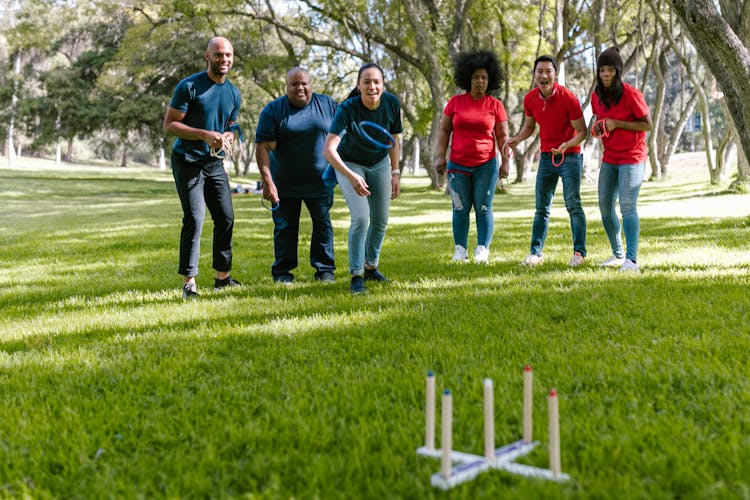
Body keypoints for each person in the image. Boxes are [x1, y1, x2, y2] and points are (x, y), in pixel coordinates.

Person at [163, 37, 242, 298]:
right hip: (188, 161)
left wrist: (228, 136)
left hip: (214, 164)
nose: (224, 60)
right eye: (218, 55)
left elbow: (230, 126)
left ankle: (222, 278)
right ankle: (189, 283)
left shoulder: (234, 94)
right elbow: (170, 125)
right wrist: (202, 134)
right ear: (207, 56)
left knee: (226, 217)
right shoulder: (189, 86)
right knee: (195, 219)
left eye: (228, 55)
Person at [323, 62, 402, 294]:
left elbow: (393, 140)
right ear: (358, 86)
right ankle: (356, 275)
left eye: (376, 81)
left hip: (379, 164)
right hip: (350, 163)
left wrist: (395, 172)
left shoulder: (391, 103)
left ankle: (371, 268)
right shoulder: (347, 109)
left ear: (383, 85)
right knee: (360, 218)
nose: (372, 86)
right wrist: (350, 177)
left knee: (381, 219)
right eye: (366, 82)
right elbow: (329, 150)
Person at [255, 67, 338, 284]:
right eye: (295, 84)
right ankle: (283, 273)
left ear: (311, 85)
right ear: (287, 87)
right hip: (284, 184)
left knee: (323, 226)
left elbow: (344, 131)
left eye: (304, 84)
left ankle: (325, 271)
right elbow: (262, 147)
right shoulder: (274, 110)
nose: (300, 88)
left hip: (320, 182)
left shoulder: (328, 105)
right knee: (284, 228)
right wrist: (267, 182)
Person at [505, 55, 588, 268]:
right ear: (534, 75)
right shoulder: (530, 99)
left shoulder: (568, 98)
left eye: (548, 71)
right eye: (539, 71)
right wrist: (516, 139)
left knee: (573, 205)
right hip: (546, 158)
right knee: (541, 208)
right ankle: (536, 253)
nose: (544, 75)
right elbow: (530, 127)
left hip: (569, 156)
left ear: (555, 74)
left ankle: (579, 253)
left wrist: (566, 145)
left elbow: (582, 131)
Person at [435, 50, 510, 264]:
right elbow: (444, 131)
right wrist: (440, 156)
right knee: (460, 208)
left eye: (484, 77)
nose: (480, 81)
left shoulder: (495, 105)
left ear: (490, 80)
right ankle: (460, 250)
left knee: (483, 207)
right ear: (468, 78)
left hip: (486, 165)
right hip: (457, 164)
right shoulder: (455, 103)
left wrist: (506, 162)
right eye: (476, 77)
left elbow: (503, 136)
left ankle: (482, 249)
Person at [591, 47, 653, 272]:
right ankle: (618, 254)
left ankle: (632, 260)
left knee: (627, 205)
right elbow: (600, 121)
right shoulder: (596, 96)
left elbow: (647, 124)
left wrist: (618, 124)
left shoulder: (631, 94)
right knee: (605, 207)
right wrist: (599, 128)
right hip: (610, 157)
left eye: (609, 70)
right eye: (601, 70)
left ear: (618, 72)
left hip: (632, 156)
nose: (605, 74)